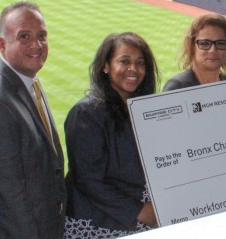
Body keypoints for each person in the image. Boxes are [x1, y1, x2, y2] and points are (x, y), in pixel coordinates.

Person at [0, 1, 66, 238]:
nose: (37, 45)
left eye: (42, 35)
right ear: (1, 45)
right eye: (24, 37)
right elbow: (11, 199)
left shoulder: (27, 78)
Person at [65, 32, 160, 237]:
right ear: (106, 66)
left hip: (138, 220)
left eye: (140, 62)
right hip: (96, 224)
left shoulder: (141, 108)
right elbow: (87, 180)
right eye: (124, 61)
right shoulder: (86, 113)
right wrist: (140, 211)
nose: (133, 69)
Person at [163, 13, 226, 91]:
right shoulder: (177, 87)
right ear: (192, 47)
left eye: (220, 43)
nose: (212, 50)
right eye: (204, 43)